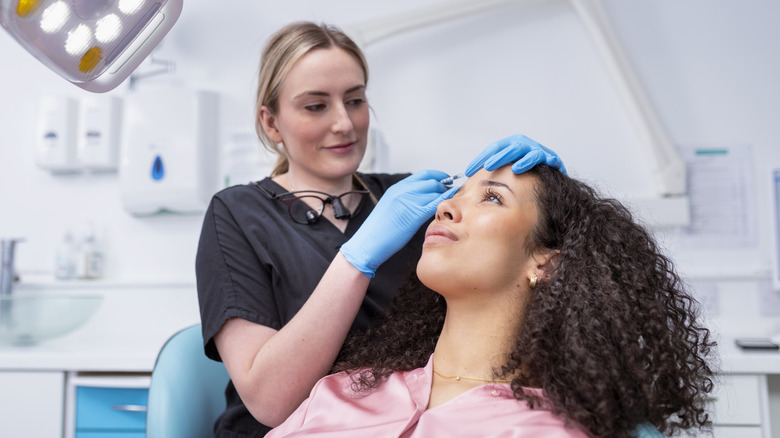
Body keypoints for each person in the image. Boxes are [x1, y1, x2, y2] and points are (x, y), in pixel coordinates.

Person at [195, 20, 563, 437]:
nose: (344, 124)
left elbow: (517, 270)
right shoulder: (237, 214)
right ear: (272, 123)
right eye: (316, 106)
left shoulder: (413, 201)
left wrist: (550, 199)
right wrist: (358, 256)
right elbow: (269, 401)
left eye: (354, 100)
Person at [266, 163, 717, 438]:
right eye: (453, 195)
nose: (444, 209)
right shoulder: (343, 389)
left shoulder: (550, 428)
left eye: (492, 198)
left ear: (547, 263)